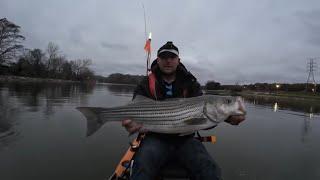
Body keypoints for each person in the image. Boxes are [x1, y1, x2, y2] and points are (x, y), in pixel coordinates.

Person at [122, 41, 245, 180]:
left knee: (209, 169)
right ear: (158, 60)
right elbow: (135, 107)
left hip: (186, 140)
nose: (168, 61)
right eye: (164, 57)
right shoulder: (145, 83)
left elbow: (206, 120)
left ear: (178, 60)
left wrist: (228, 117)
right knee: (142, 167)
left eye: (172, 57)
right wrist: (131, 123)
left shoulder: (191, 83)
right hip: (155, 138)